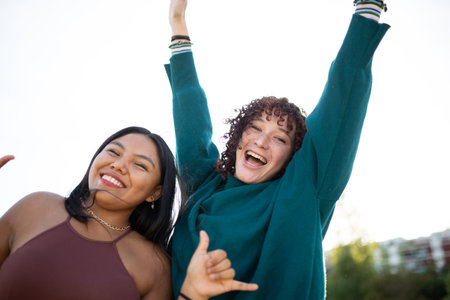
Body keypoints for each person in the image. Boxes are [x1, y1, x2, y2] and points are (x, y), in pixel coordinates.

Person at [166, 0, 390, 299]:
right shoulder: (204, 184)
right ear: (238, 136)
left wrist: (368, 8)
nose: (261, 141)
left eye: (280, 138)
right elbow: (189, 112)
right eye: (255, 128)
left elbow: (343, 96)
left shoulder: (302, 192)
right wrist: (178, 25)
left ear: (293, 156)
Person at [0, 127, 257, 299]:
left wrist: (191, 295)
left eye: (140, 165)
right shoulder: (35, 207)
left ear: (154, 193)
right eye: (113, 152)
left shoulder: (154, 266)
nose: (118, 165)